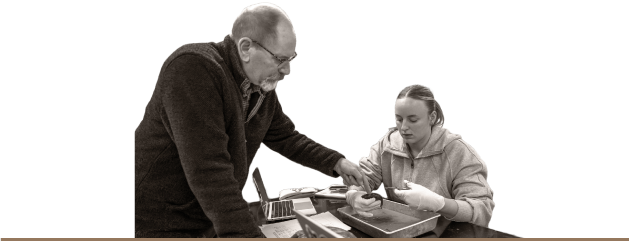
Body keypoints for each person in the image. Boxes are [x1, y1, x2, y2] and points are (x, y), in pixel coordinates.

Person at [134, 2, 370, 238]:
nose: (287, 70)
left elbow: (286, 136)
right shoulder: (192, 68)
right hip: (160, 221)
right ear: (245, 47)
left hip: (206, 217)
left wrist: (337, 162)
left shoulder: (259, 87)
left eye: (291, 59)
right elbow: (209, 171)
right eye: (280, 59)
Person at [345, 84, 496, 227]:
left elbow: (482, 210)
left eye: (413, 120)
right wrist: (353, 194)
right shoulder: (387, 144)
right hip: (398, 229)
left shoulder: (459, 152)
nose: (404, 128)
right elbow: (364, 177)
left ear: (432, 117)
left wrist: (439, 203)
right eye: (399, 119)